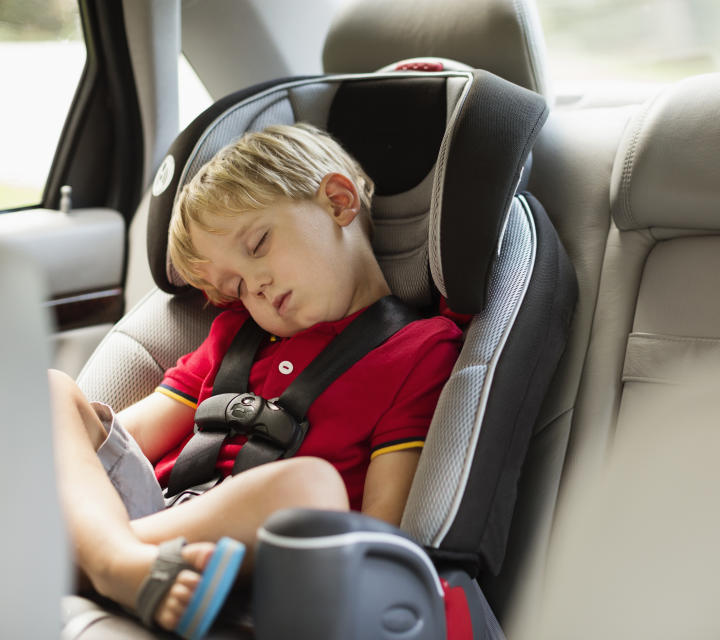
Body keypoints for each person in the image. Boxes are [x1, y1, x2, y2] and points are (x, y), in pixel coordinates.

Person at [49, 123, 463, 636]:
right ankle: (113, 561)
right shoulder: (233, 338)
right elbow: (121, 437)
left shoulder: (419, 349)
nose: (257, 288)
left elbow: (380, 532)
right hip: (151, 519)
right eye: (236, 287)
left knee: (308, 486)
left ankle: (86, 556)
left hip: (266, 556)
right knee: (52, 392)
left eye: (259, 243)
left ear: (338, 202)